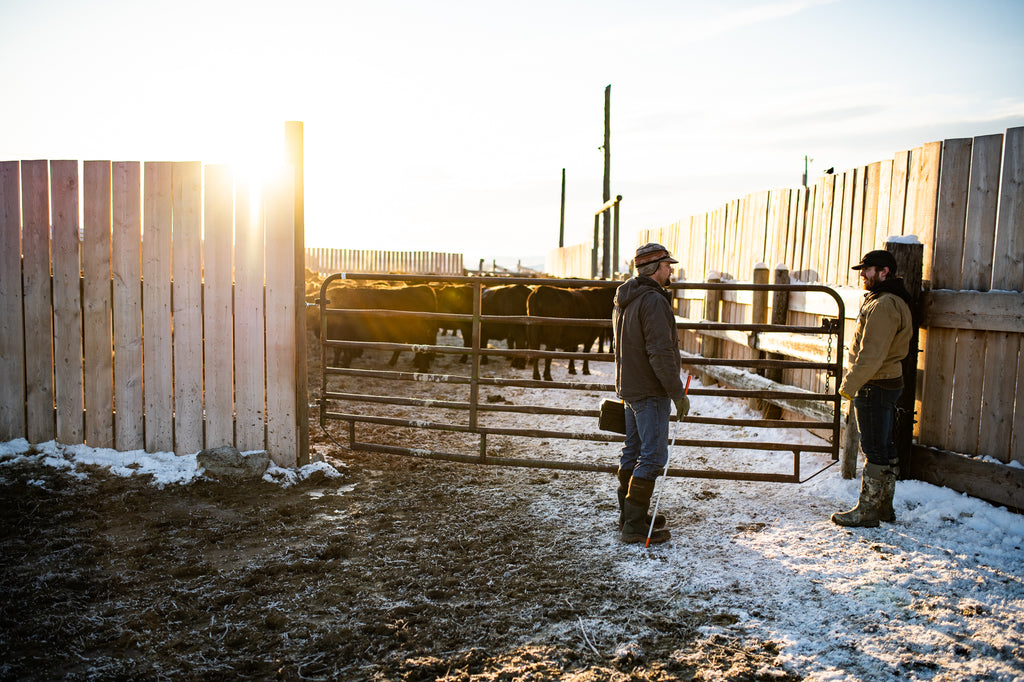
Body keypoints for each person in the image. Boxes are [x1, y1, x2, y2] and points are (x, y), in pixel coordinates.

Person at [612, 243, 689, 544]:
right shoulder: (653, 301)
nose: (671, 270)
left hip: (630, 386)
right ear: (656, 268)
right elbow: (659, 352)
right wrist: (676, 393)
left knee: (633, 450)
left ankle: (630, 515)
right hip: (649, 388)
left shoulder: (625, 298)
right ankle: (633, 525)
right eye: (668, 265)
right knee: (654, 455)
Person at [832, 249, 913, 528]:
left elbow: (871, 353)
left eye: (868, 270)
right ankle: (883, 507)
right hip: (885, 381)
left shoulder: (884, 304)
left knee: (874, 449)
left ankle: (868, 511)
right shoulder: (889, 300)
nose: (863, 275)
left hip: (874, 383)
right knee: (885, 445)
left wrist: (848, 385)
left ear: (884, 272)